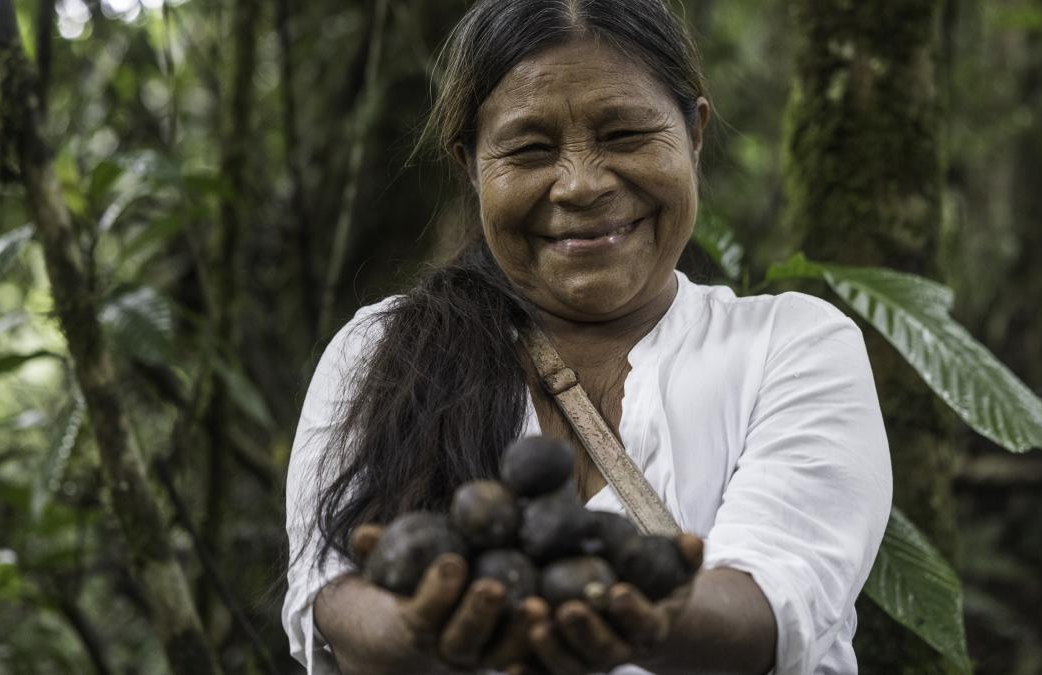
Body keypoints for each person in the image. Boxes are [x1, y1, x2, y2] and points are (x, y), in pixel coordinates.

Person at [283, 0, 892, 673]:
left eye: (625, 135)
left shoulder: (793, 346)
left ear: (693, 133)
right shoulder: (379, 352)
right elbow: (330, 593)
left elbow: (773, 604)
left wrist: (613, 612)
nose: (580, 184)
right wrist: (413, 627)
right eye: (529, 150)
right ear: (470, 167)